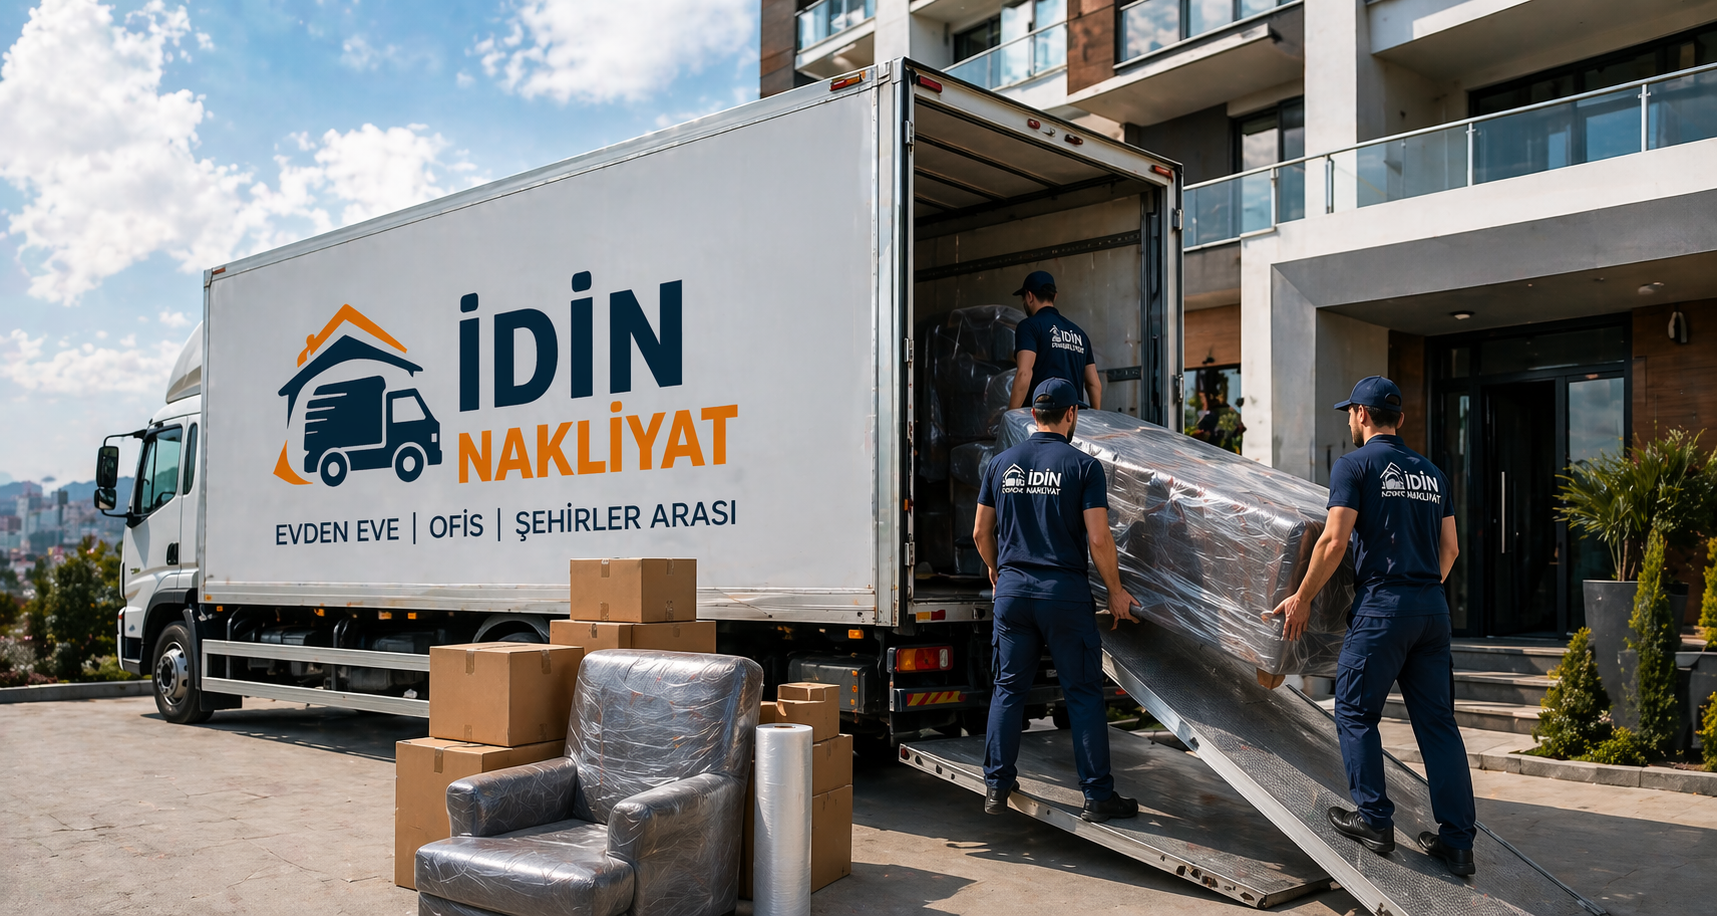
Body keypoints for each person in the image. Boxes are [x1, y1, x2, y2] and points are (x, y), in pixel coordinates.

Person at [1264, 376, 1476, 877]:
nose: (1350, 421)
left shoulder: (1354, 465)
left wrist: (1302, 598)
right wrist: (1421, 591)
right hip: (1432, 610)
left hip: (1383, 608)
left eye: (1350, 414)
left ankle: (1375, 820)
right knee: (1438, 726)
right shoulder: (1432, 473)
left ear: (1360, 414)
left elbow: (1333, 541)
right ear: (1398, 419)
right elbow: (1450, 549)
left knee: (1355, 712)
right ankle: (1458, 844)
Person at [974, 377, 1141, 823]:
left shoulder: (1001, 463)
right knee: (1082, 694)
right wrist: (1116, 591)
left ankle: (996, 786)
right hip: (1063, 595)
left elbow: (980, 532)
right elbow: (1099, 539)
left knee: (1008, 689)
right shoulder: (1084, 467)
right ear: (1071, 415)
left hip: (1013, 593)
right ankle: (1097, 797)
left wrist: (997, 569)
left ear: (1033, 415)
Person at [1008, 271, 1102, 412]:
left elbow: (1024, 374)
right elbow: (1094, 384)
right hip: (1073, 418)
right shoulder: (1079, 333)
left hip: (1041, 418)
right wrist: (1095, 416)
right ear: (1055, 296)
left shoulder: (1029, 326)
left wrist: (1010, 416)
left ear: (1029, 296)